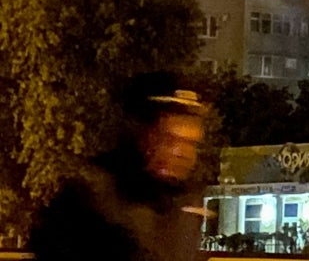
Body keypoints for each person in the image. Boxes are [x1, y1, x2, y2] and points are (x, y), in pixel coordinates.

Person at [29, 71, 210, 261]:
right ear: (141, 132)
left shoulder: (186, 206)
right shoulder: (91, 198)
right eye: (169, 139)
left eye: (191, 143)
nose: (181, 153)